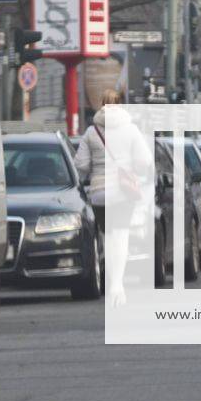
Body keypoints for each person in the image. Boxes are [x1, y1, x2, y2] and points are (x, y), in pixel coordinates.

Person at [74, 89, 149, 306]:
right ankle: (118, 285)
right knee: (122, 236)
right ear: (120, 103)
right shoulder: (131, 130)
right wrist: (133, 169)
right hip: (124, 193)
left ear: (102, 104)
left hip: (99, 194)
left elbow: (81, 165)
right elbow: (144, 161)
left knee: (108, 237)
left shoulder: (91, 132)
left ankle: (112, 283)